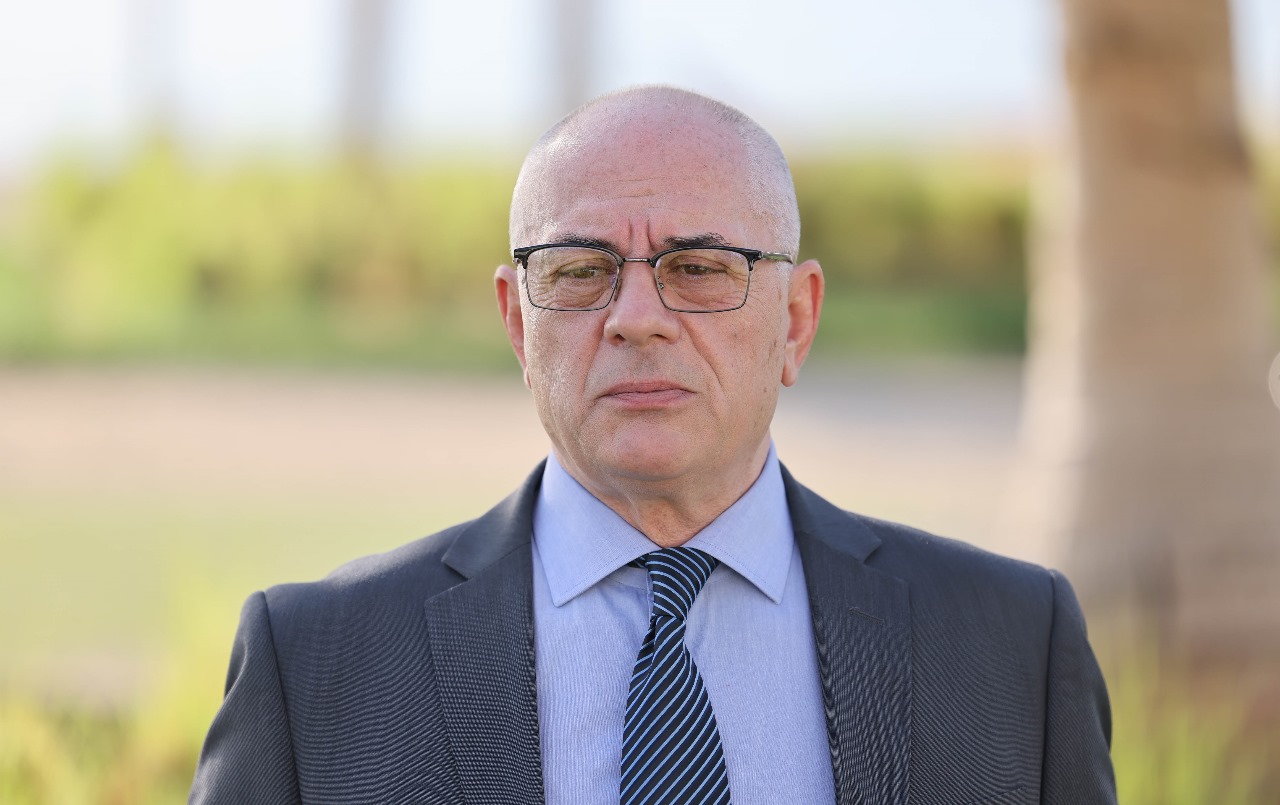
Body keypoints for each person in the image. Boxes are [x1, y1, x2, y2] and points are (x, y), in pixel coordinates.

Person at [190, 86, 1117, 804]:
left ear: (796, 320)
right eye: (580, 270)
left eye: (701, 267)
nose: (637, 316)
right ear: (517, 324)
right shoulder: (315, 662)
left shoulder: (1010, 644)